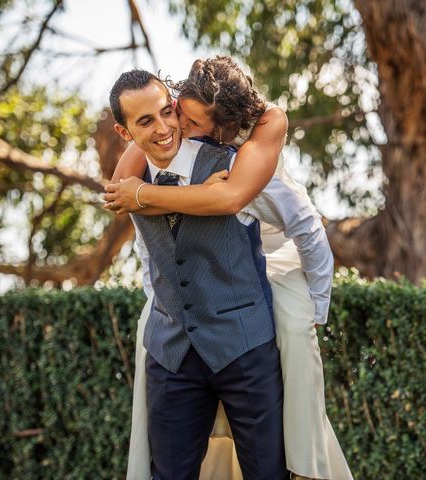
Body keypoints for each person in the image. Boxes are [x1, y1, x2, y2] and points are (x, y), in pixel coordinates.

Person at [105, 57, 352, 480]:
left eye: (168, 112)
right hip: (173, 354)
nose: (165, 127)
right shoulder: (131, 181)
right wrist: (161, 300)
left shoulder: (238, 163)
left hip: (244, 345)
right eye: (146, 121)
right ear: (126, 133)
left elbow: (304, 225)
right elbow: (152, 254)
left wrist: (317, 307)